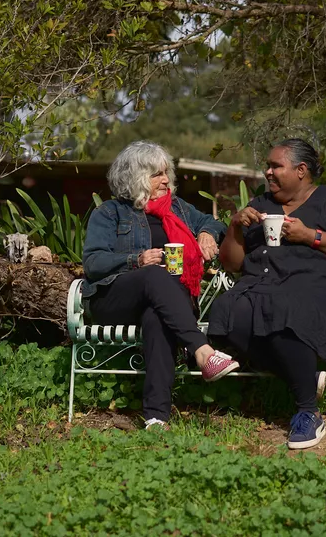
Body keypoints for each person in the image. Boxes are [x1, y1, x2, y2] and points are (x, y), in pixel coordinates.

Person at [207, 138, 326, 449]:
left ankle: (308, 412)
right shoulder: (261, 205)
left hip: (324, 292)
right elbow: (232, 263)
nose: (268, 172)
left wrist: (310, 235)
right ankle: (306, 378)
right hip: (263, 292)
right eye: (267, 166)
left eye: (276, 166)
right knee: (228, 312)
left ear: (301, 170)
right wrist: (234, 226)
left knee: (281, 308)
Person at [82, 141, 239, 430]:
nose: (166, 180)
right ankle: (202, 351)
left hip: (168, 304)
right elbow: (93, 262)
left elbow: (212, 222)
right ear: (134, 177)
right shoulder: (110, 212)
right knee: (155, 274)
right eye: (156, 174)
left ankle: (156, 418)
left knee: (157, 317)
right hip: (116, 298)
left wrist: (206, 233)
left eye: (166, 172)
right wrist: (137, 259)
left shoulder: (178, 208)